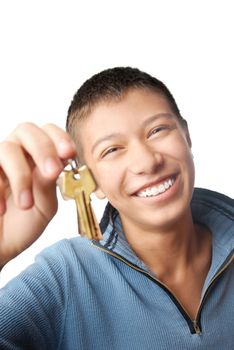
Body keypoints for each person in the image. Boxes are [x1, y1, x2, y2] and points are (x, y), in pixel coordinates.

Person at [0, 67, 233, 349]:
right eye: (112, 150)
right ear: (89, 180)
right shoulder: (63, 276)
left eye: (157, 130)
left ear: (187, 136)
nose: (147, 162)